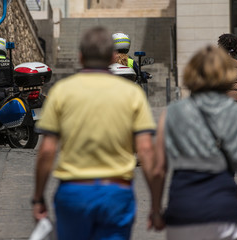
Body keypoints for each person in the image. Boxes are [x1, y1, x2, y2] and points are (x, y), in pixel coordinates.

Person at [32, 26, 159, 240]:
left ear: (80, 57)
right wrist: (156, 204)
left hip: (74, 193)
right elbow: (146, 150)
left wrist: (38, 197)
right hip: (116, 193)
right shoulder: (133, 94)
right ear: (111, 56)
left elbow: (46, 150)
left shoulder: (62, 91)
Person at [151, 45, 237, 239]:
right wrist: (233, 198)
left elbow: (158, 168)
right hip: (223, 211)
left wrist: (156, 209)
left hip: (183, 208)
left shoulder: (173, 112)